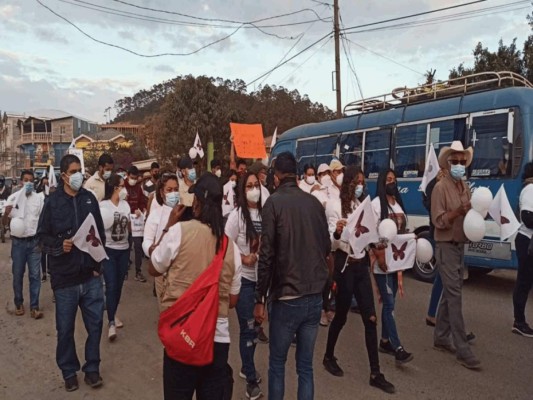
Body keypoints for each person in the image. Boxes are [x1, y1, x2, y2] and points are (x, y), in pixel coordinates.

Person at [149, 173, 240, 400]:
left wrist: (169, 226)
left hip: (182, 334)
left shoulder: (180, 232)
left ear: (197, 202)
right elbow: (232, 301)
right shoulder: (231, 248)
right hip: (216, 341)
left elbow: (154, 268)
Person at [254, 151, 330, 400]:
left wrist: (260, 298)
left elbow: (266, 255)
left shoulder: (273, 203)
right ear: (296, 175)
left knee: (277, 364)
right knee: (305, 367)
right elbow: (326, 249)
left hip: (286, 297)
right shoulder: (314, 203)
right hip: (313, 296)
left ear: (276, 176)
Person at [321, 166, 395, 393]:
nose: (361, 186)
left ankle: (375, 372)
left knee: (371, 318)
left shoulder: (363, 206)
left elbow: (368, 236)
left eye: (363, 182)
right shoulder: (335, 206)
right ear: (349, 183)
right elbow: (331, 243)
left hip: (362, 267)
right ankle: (328, 356)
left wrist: (378, 243)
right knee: (341, 316)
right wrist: (337, 233)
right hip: (345, 267)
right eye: (358, 181)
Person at [37, 154, 106, 391]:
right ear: (64, 174)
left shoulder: (89, 199)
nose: (78, 175)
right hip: (64, 280)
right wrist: (59, 246)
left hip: (90, 277)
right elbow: (41, 238)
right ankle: (68, 371)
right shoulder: (52, 203)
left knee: (95, 325)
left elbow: (99, 234)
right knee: (65, 330)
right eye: (74, 171)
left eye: (80, 171)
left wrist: (98, 267)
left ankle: (92, 369)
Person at [431, 141, 481, 369]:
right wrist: (457, 212)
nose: (460, 165)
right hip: (446, 246)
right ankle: (462, 348)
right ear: (448, 163)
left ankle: (441, 337)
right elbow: (438, 220)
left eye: (463, 161)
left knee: (451, 292)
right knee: (455, 295)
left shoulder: (464, 186)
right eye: (456, 161)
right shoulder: (440, 188)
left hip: (460, 245)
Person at [225, 171, 263, 400]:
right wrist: (243, 257)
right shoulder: (236, 215)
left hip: (262, 281)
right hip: (244, 280)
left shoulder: (267, 213)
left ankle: (246, 365)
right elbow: (225, 245)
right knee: (248, 327)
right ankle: (250, 379)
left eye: (256, 184)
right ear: (242, 189)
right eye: (249, 185)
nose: (253, 189)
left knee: (256, 327)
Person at [371, 169, 414, 364]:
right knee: (388, 304)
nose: (392, 183)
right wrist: (379, 256)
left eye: (394, 180)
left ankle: (385, 340)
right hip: (382, 262)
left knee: (391, 302)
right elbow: (372, 234)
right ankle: (397, 347)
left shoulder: (398, 204)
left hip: (397, 262)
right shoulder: (375, 205)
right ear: (381, 182)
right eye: (388, 180)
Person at [4, 170, 45, 318]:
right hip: (18, 243)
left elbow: (42, 221)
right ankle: (19, 303)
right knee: (18, 274)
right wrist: (6, 214)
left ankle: (34, 306)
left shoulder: (39, 199)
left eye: (31, 180)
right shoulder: (13, 198)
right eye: (26, 180)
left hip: (34, 242)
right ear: (21, 182)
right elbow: (4, 223)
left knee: (35, 275)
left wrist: (41, 241)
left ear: (33, 182)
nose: (28, 183)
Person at [100, 173, 130, 341]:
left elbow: (129, 226)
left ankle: (113, 312)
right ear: (114, 188)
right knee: (111, 285)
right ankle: (111, 322)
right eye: (122, 186)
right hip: (109, 250)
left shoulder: (126, 206)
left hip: (124, 250)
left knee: (118, 286)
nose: (124, 189)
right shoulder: (103, 205)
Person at [512, 161, 533, 337]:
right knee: (524, 282)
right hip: (527, 242)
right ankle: (519, 322)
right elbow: (527, 217)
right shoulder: (530, 190)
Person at [124, 166, 148, 283]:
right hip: (125, 221)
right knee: (126, 246)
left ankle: (138, 271)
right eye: (132, 177)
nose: (133, 180)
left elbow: (143, 201)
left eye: (135, 178)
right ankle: (124, 271)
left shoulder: (138, 188)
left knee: (138, 247)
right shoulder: (122, 186)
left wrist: (142, 209)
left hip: (136, 222)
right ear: (127, 175)